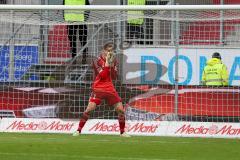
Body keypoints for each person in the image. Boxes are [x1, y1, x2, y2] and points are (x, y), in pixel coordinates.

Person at [73, 42, 130, 137]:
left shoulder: (114, 61)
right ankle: (78, 130)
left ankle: (122, 132)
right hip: (98, 88)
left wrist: (111, 65)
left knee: (121, 110)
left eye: (112, 51)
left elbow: (114, 76)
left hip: (110, 88)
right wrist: (107, 63)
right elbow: (102, 75)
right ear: (103, 51)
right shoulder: (96, 61)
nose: (110, 52)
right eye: (108, 51)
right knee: (89, 110)